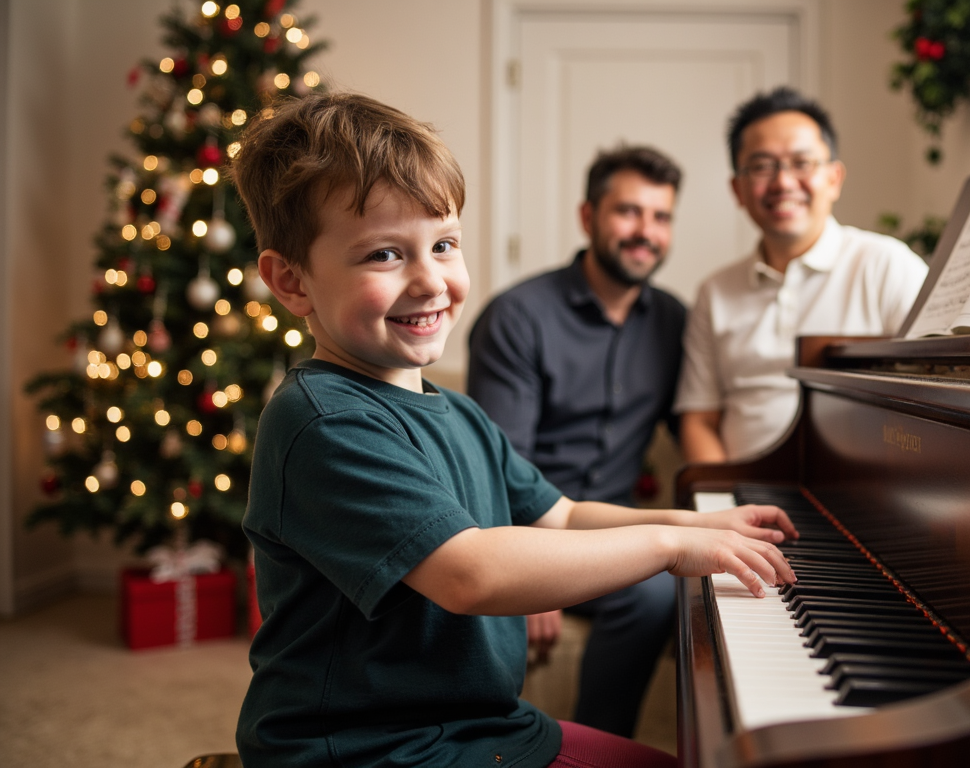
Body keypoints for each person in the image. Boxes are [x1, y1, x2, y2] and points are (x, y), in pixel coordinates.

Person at [231, 92, 797, 768]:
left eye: (443, 244)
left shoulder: (459, 413)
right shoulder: (321, 420)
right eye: (384, 254)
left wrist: (702, 524)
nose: (430, 279)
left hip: (479, 727)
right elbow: (470, 574)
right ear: (291, 282)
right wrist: (668, 545)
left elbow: (560, 517)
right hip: (372, 750)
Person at [466, 146, 686, 738]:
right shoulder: (518, 316)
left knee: (661, 591)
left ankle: (599, 746)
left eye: (661, 217)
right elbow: (497, 464)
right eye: (629, 212)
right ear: (588, 217)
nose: (646, 232)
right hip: (530, 532)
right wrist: (533, 575)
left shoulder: (674, 323)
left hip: (606, 532)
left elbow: (697, 427)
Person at [675, 87, 930, 463]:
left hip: (863, 492)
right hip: (746, 502)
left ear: (834, 178)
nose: (782, 183)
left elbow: (938, 396)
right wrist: (723, 507)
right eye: (761, 166)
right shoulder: (715, 292)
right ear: (738, 190)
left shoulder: (888, 265)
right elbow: (699, 420)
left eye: (802, 163)